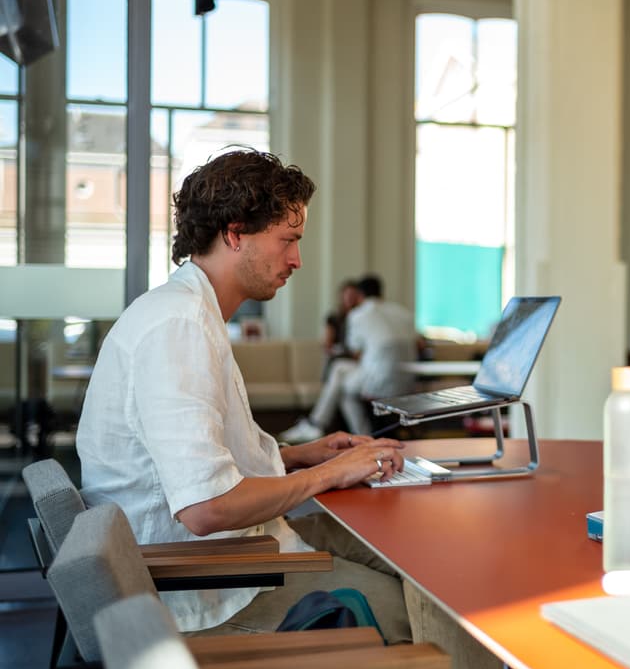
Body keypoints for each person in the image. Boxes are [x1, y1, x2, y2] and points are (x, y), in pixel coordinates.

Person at [75, 150, 412, 639]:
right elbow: (206, 507)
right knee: (420, 613)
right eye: (288, 241)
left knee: (400, 555)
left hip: (229, 555)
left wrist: (299, 455)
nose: (296, 260)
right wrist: (329, 473)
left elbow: (196, 462)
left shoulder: (191, 312)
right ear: (235, 234)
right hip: (205, 591)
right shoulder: (179, 325)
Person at [281, 274, 417, 443]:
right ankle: (360, 437)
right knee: (342, 380)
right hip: (405, 381)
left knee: (340, 376)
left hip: (377, 381)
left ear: (360, 295)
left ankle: (322, 426)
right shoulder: (403, 313)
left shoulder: (359, 315)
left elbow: (356, 353)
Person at [323, 279, 362, 379]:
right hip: (339, 356)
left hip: (357, 358)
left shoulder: (362, 317)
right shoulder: (334, 318)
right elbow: (327, 345)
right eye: (348, 295)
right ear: (342, 296)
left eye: (353, 295)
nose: (350, 298)